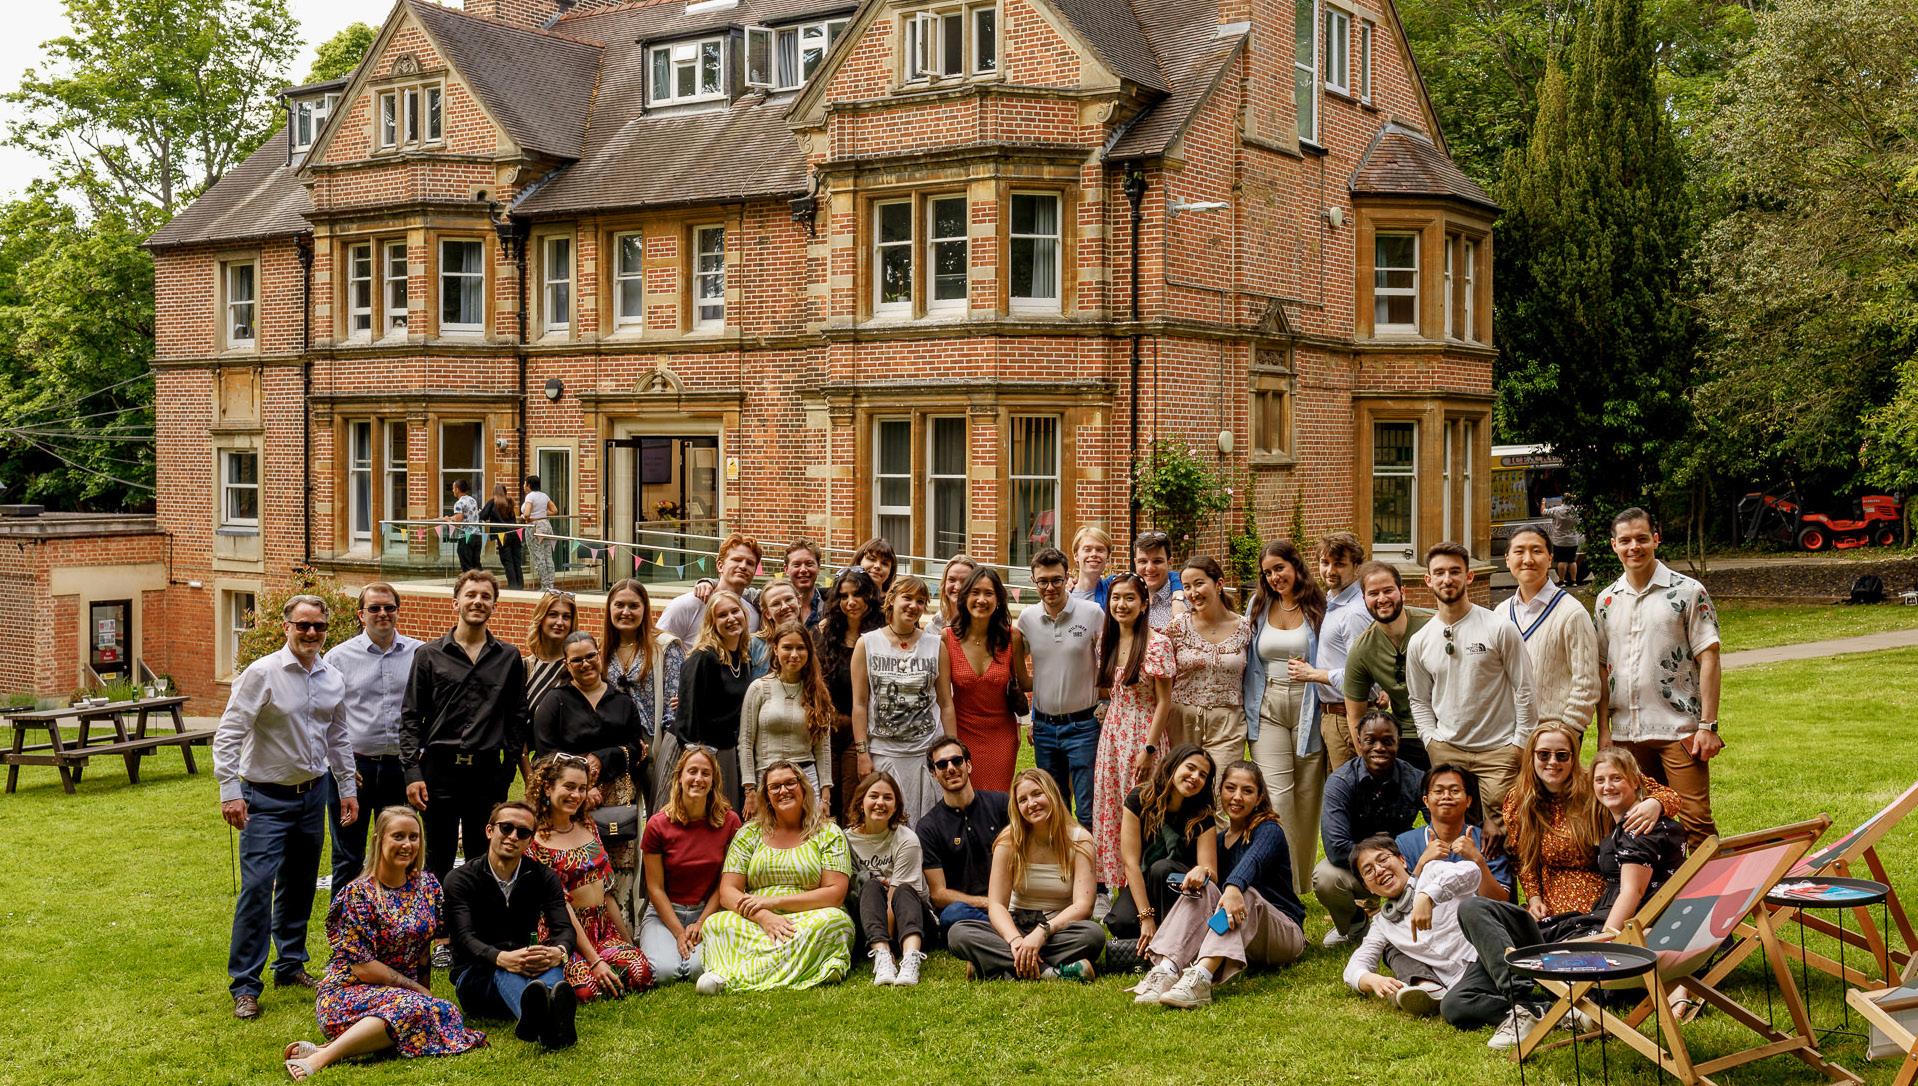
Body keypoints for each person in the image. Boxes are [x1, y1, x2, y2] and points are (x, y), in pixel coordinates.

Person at [1457, 746, 1689, 1049]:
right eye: (1600, 780)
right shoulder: (1528, 800)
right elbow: (1525, 858)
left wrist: (1607, 940)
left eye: (1616, 778)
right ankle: (1540, 1006)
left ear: (1635, 781)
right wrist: (1534, 896)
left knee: (1486, 934)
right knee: (1459, 996)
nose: (1607, 786)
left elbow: (1632, 891)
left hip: (1603, 932)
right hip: (1572, 922)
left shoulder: (1637, 827)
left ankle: (1523, 1002)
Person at [215, 593, 358, 1020]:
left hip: (312, 795)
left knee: (300, 884)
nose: (311, 633)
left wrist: (347, 787)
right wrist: (230, 790)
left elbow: (338, 737)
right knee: (258, 888)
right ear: (286, 628)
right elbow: (229, 733)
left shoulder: (332, 677)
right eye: (303, 625)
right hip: (264, 798)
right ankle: (245, 984)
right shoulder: (262, 674)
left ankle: (290, 964)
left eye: (319, 626)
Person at [284, 807, 483, 1079]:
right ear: (379, 839)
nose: (407, 844)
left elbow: (423, 951)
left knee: (445, 1011)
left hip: (401, 995)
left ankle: (326, 1048)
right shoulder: (358, 894)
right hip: (349, 992)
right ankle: (322, 1058)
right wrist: (417, 992)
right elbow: (363, 968)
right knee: (414, 1009)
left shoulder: (428, 886)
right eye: (398, 836)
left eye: (413, 837)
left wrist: (425, 992)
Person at [402, 570, 530, 935]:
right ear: (455, 602)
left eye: (485, 596)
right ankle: (439, 934)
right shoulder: (428, 655)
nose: (478, 601)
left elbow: (517, 718)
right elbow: (410, 717)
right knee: (437, 856)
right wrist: (412, 772)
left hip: (486, 773)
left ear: (494, 605)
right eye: (471, 595)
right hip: (439, 771)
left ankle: (474, 933)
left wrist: (506, 772)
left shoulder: (509, 657)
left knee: (483, 854)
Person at [1596, 506, 1723, 850]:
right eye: (1625, 540)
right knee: (1635, 822)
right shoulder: (1606, 600)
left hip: (1679, 729)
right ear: (1614, 545)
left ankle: (1712, 885)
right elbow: (1603, 667)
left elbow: (1709, 657)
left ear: (1656, 539)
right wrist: (1604, 731)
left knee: (1696, 822)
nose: (1633, 547)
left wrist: (1708, 725)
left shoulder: (1688, 591)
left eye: (1641, 538)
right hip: (1626, 733)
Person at [1131, 761, 1307, 1008]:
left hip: (1284, 934)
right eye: (1230, 788)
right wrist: (1202, 872)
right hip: (1243, 938)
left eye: (1247, 791)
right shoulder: (1220, 841)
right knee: (1203, 888)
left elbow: (1253, 863)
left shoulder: (1269, 830)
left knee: (1244, 895)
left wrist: (1234, 888)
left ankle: (1201, 978)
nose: (1237, 797)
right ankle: (1167, 970)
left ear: (1259, 798)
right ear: (1220, 791)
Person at [1406, 542, 1535, 839]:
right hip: (1447, 748)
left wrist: (1519, 744)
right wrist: (1431, 741)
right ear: (1428, 580)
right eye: (1439, 573)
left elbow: (1525, 689)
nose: (1447, 579)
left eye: (1455, 571)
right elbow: (1418, 699)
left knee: (1503, 836)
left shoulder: (1499, 628)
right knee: (1453, 833)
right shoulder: (1421, 641)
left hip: (1499, 750)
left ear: (1469, 576)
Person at [698, 761, 856, 993]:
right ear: (766, 796)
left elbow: (835, 894)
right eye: (775, 787)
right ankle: (811, 966)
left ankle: (730, 976)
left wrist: (774, 902)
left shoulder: (828, 832)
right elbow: (728, 892)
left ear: (803, 788)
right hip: (756, 918)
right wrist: (764, 916)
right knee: (717, 923)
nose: (783, 790)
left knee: (835, 922)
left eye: (790, 783)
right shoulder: (749, 833)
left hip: (809, 915)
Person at [1503, 721, 1676, 923]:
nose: (1552, 762)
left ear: (1573, 758)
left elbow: (1669, 795)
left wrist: (1655, 803)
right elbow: (1523, 859)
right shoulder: (1519, 800)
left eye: (1562, 755)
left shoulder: (1596, 782)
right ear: (1531, 756)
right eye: (1543, 755)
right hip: (1553, 897)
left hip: (1605, 892)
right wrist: (1534, 899)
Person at [533, 630, 648, 929]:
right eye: (576, 660)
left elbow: (636, 748)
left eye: (590, 656)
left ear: (599, 655)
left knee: (619, 867)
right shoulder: (555, 702)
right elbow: (544, 755)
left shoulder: (621, 701)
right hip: (571, 799)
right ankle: (575, 928)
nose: (585, 664)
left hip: (617, 799)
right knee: (578, 866)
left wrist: (603, 757)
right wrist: (584, 787)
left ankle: (621, 929)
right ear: (566, 664)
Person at [947, 769, 1104, 981]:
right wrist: (1015, 941)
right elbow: (997, 905)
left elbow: (1083, 906)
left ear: (1052, 794)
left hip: (1056, 929)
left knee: (1092, 935)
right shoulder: (1008, 841)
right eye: (1022, 800)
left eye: (1037, 794)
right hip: (1016, 925)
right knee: (959, 933)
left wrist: (1042, 932)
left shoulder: (1080, 840)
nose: (1031, 804)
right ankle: (1050, 972)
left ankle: (994, 967)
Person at [444, 800, 578, 1050]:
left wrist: (558, 953)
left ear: (530, 840)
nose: (513, 836)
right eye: (506, 828)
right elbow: (464, 936)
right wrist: (501, 958)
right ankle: (550, 1025)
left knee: (548, 969)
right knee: (507, 970)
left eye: (523, 832)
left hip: (528, 966)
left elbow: (564, 928)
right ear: (489, 830)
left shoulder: (543, 876)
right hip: (477, 977)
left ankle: (547, 1016)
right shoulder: (460, 879)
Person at [525, 755, 653, 1001]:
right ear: (548, 788)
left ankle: (607, 968)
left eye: (582, 788)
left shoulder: (589, 825)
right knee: (587, 989)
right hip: (564, 934)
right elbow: (561, 906)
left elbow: (606, 892)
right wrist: (594, 961)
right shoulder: (536, 840)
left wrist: (627, 941)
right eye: (569, 787)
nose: (576, 795)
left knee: (640, 971)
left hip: (601, 928)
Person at [1241, 540, 1327, 897]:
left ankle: (1301, 881)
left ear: (1295, 565)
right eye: (1268, 572)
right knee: (1277, 798)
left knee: (1307, 797)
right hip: (1268, 705)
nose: (1274, 577)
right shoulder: (1259, 605)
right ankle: (1282, 885)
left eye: (1280, 568)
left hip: (1309, 706)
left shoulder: (1319, 606)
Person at [324, 583, 421, 899]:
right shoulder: (338, 658)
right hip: (354, 769)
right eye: (374, 608)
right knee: (347, 855)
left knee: (400, 852)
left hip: (401, 769)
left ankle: (398, 919)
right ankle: (343, 924)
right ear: (360, 614)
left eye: (389, 607)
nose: (383, 614)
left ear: (398, 611)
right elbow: (325, 717)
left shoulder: (419, 654)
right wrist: (339, 766)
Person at [1341, 835, 1491, 1027]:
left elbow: (1471, 872)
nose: (1379, 870)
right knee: (1453, 1008)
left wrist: (1428, 895)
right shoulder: (1382, 924)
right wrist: (1372, 980)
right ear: (1367, 887)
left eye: (1383, 859)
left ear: (1402, 860)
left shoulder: (1432, 871)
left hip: (1489, 954)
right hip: (1462, 984)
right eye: (1368, 871)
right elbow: (1353, 968)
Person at [1091, 573, 1175, 890]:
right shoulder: (1108, 640)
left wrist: (1149, 749)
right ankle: (1120, 883)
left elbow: (1164, 702)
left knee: (1144, 807)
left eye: (1129, 598)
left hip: (1143, 731)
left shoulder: (1157, 644)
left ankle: (1149, 881)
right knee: (1113, 806)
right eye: (1116, 598)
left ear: (1143, 604)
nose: (1121, 604)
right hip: (1113, 733)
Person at [1314, 711, 1426, 947]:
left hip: (1403, 868)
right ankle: (1356, 924)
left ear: (1398, 741)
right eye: (1370, 740)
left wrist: (1401, 863)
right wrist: (1377, 864)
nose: (1379, 747)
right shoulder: (1341, 782)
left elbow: (1437, 829)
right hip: (1358, 869)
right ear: (1359, 741)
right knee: (1325, 877)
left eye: (1387, 741)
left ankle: (1411, 919)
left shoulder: (1415, 779)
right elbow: (1336, 848)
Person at [852, 576, 956, 824]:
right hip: (884, 752)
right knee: (887, 821)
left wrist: (952, 751)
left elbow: (946, 703)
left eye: (920, 601)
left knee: (930, 823)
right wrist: (862, 754)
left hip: (926, 752)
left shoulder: (936, 645)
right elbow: (860, 704)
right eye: (907, 598)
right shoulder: (867, 644)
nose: (913, 605)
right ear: (892, 600)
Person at [1013, 546, 1104, 827]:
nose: (1050, 587)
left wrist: (1105, 702)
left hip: (1083, 726)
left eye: (1056, 580)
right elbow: (1019, 675)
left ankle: (1089, 856)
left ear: (1068, 577)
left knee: (1087, 810)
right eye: (1043, 581)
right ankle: (1061, 855)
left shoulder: (1092, 613)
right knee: (1054, 808)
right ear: (1033, 581)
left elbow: (1109, 665)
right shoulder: (1027, 619)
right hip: (1045, 729)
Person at [640, 745, 742, 985]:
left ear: (714, 781)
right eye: (692, 771)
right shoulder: (657, 824)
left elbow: (726, 883)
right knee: (665, 973)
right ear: (680, 777)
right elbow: (655, 888)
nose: (698, 779)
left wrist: (701, 922)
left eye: (706, 773)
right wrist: (679, 932)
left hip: (709, 910)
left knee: (697, 969)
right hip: (665, 912)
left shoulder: (730, 822)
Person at [1107, 745, 1219, 946]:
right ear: (1173, 765)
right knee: (1121, 922)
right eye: (1190, 768)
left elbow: (1212, 872)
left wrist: (1203, 870)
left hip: (1182, 888)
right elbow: (1131, 864)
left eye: (1203, 775)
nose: (1195, 777)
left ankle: (1173, 938)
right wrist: (1146, 917)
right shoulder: (1139, 799)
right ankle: (1158, 930)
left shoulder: (1202, 814)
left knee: (1163, 869)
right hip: (1146, 882)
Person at [1504, 525, 1600, 736]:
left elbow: (1587, 683)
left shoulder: (1572, 613)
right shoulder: (1500, 613)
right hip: (1509, 734)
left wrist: (1567, 732)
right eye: (1519, 551)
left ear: (1549, 558)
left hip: (1554, 736)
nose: (1528, 559)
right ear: (1507, 559)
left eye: (1536, 551)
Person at [1162, 555, 1251, 771]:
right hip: (1182, 718)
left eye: (1199, 583)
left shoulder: (1246, 628)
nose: (1193, 593)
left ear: (1219, 584)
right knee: (1184, 783)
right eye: (1187, 587)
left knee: (1221, 783)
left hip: (1227, 722)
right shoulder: (1177, 627)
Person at [1341, 561, 1434, 768]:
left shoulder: (1432, 625)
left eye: (1388, 591)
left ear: (1402, 592)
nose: (1382, 599)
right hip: (1405, 737)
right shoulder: (1363, 649)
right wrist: (1368, 766)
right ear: (1364, 599)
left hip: (1447, 731)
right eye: (1373, 593)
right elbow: (1355, 716)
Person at [843, 770, 931, 985]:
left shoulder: (907, 839)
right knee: (870, 886)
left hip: (911, 920)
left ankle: (910, 958)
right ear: (861, 802)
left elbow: (895, 895)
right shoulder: (845, 840)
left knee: (903, 890)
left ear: (896, 805)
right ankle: (881, 956)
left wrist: (892, 943)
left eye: (888, 798)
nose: (880, 803)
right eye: (873, 796)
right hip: (869, 922)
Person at [917, 736, 1011, 936]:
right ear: (934, 773)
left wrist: (1004, 901)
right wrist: (987, 903)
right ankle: (1010, 928)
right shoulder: (928, 827)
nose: (950, 768)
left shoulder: (1002, 804)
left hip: (1009, 899)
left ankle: (996, 933)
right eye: (942, 765)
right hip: (969, 909)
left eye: (957, 761)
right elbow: (939, 894)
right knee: (952, 915)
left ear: (968, 765)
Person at [740, 620, 835, 814]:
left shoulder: (817, 692)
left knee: (810, 831)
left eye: (800, 648)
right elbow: (746, 742)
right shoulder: (759, 688)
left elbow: (823, 747)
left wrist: (825, 793)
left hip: (806, 778)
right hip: (767, 778)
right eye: (787, 647)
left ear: (809, 652)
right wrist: (750, 790)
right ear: (775, 649)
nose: (794, 654)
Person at [679, 591, 761, 811]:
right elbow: (688, 714)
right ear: (712, 623)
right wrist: (696, 760)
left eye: (735, 611)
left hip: (725, 749)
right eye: (722, 615)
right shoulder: (704, 657)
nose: (731, 618)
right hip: (696, 749)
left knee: (721, 815)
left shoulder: (743, 656)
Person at [601, 579, 679, 807]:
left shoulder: (665, 646)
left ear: (645, 608)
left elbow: (674, 700)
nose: (626, 612)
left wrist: (668, 747)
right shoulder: (602, 650)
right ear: (610, 608)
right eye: (619, 605)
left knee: (663, 811)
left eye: (633, 606)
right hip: (618, 746)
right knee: (620, 816)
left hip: (656, 742)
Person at [944, 566, 1022, 793]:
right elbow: (943, 698)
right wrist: (950, 741)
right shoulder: (947, 638)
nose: (981, 599)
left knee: (998, 800)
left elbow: (1025, 683)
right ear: (965, 597)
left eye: (989, 593)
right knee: (964, 798)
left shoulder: (1012, 637)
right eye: (975, 592)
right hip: (961, 732)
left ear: (998, 600)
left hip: (1002, 735)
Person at [1395, 764, 1513, 901]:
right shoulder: (1406, 843)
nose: (1446, 796)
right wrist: (1422, 863)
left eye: (1455, 791)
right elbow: (1400, 902)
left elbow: (1500, 901)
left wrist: (1478, 860)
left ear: (1468, 800)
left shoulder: (1487, 841)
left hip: (1475, 914)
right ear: (1426, 801)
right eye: (1438, 791)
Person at [815, 568, 883, 807]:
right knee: (828, 802)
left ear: (869, 597)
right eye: (844, 596)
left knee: (854, 800)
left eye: (857, 594)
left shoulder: (881, 636)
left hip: (862, 731)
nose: (851, 602)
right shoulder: (826, 633)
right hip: (829, 731)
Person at [1312, 532, 1371, 770]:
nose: (1330, 570)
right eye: (1325, 562)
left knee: (1351, 787)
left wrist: (1314, 674)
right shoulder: (1332, 602)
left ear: (1356, 567)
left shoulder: (1354, 612)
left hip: (1346, 717)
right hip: (1331, 717)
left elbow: (1363, 677)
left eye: (1339, 564)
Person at [659, 533, 763, 643]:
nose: (743, 566)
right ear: (720, 565)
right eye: (737, 560)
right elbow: (658, 647)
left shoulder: (752, 616)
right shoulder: (686, 605)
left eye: (750, 563)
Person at [521, 590, 578, 715]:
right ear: (541, 618)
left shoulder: (576, 668)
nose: (560, 622)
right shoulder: (525, 666)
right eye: (553, 615)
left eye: (566, 617)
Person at [1131, 530, 1185, 631]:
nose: (1150, 568)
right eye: (1143, 561)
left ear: (1170, 563)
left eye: (1157, 561)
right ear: (1135, 563)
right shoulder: (1125, 598)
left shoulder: (1186, 602)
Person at [520, 474, 561, 592]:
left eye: (525, 483)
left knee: (539, 556)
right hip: (546, 525)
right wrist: (542, 514)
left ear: (529, 485)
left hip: (535, 527)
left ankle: (545, 585)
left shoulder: (530, 496)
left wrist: (525, 517)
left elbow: (527, 514)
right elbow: (555, 510)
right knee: (548, 555)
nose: (523, 486)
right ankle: (550, 584)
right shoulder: (544, 495)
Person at [480, 482, 523, 591]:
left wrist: (482, 511)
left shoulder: (492, 502)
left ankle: (513, 587)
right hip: (515, 533)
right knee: (517, 562)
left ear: (494, 492)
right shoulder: (510, 502)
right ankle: (520, 586)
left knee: (508, 562)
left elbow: (483, 516)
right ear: (505, 492)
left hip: (503, 536)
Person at [927, 553, 979, 634]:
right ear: (944, 583)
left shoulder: (985, 624)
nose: (957, 587)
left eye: (965, 581)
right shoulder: (933, 627)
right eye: (952, 580)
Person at [1068, 525, 1114, 607]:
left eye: (1100, 550)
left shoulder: (1113, 588)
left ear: (1107, 556)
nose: (1094, 554)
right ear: (1076, 556)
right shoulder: (1064, 595)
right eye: (1087, 550)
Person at [445, 478, 481, 573]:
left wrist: (448, 521)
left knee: (467, 567)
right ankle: (481, 581)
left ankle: (470, 582)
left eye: (453, 488)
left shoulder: (459, 503)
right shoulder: (473, 500)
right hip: (477, 536)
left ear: (457, 489)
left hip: (466, 538)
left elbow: (458, 522)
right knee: (476, 565)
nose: (452, 490)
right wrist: (452, 517)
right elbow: (465, 515)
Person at [1546, 498, 1583, 587]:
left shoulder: (1556, 510)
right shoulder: (1576, 511)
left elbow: (1543, 512)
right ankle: (1574, 581)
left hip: (1560, 541)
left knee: (1562, 561)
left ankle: (1562, 581)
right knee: (1572, 560)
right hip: (1573, 540)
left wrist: (1543, 503)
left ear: (1562, 501)